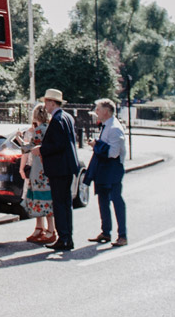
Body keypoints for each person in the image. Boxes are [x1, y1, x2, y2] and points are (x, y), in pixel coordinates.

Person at [38, 88, 81, 253]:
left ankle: (63, 238)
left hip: (59, 167)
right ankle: (67, 237)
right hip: (67, 166)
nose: (45, 106)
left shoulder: (57, 120)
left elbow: (57, 145)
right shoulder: (66, 117)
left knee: (60, 204)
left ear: (51, 102)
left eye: (46, 102)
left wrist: (40, 149)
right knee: (66, 204)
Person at [86, 98, 128, 246]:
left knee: (116, 200)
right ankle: (106, 232)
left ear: (106, 111)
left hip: (113, 168)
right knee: (102, 200)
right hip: (104, 167)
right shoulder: (105, 126)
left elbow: (113, 153)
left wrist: (96, 146)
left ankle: (122, 235)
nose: (96, 112)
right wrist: (97, 145)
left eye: (98, 109)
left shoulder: (115, 128)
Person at [19, 104, 55, 244]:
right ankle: (43, 228)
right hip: (47, 168)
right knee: (46, 198)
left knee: (41, 199)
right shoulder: (49, 128)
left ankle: (50, 230)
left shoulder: (39, 130)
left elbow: (28, 148)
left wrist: (19, 140)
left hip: (38, 169)